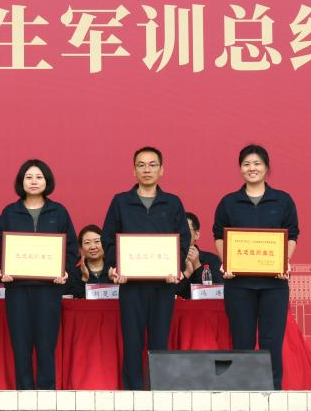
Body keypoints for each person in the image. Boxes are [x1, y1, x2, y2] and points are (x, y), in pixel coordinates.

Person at [101, 146, 190, 390]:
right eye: (141, 165)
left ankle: (159, 391)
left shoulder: (172, 203)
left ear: (162, 170)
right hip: (131, 285)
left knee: (160, 341)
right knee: (132, 341)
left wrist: (176, 266)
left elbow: (183, 239)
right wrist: (113, 267)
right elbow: (108, 238)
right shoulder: (121, 202)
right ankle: (132, 393)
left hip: (163, 285)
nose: (147, 169)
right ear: (134, 171)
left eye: (152, 165)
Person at [213, 144, 299, 390]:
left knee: (272, 342)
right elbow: (219, 235)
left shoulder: (282, 200)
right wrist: (227, 262)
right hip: (238, 284)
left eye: (257, 163)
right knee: (242, 342)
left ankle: (272, 392)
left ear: (267, 167)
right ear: (240, 168)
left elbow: (292, 234)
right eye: (246, 164)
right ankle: (244, 393)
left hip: (274, 285)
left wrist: (283, 262)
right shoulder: (229, 202)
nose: (252, 168)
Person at [0, 160, 78, 390]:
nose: (33, 181)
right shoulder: (10, 212)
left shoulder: (59, 212)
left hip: (49, 290)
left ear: (47, 181)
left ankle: (46, 393)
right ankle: (24, 394)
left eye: (39, 177)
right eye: (28, 177)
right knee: (20, 345)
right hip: (17, 290)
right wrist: (2, 270)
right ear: (21, 182)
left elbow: (71, 249)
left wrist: (64, 270)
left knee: (46, 344)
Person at [176, 212, 223, 299]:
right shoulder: (170, 261)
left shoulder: (213, 260)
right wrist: (187, 274)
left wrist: (197, 266)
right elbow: (170, 293)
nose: (181, 234)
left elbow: (217, 292)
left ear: (196, 235)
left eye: (185, 229)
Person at [66, 224, 113, 298]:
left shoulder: (114, 270)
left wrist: (112, 280)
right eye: (87, 242)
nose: (93, 247)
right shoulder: (73, 273)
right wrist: (84, 280)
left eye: (97, 241)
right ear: (81, 249)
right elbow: (72, 299)